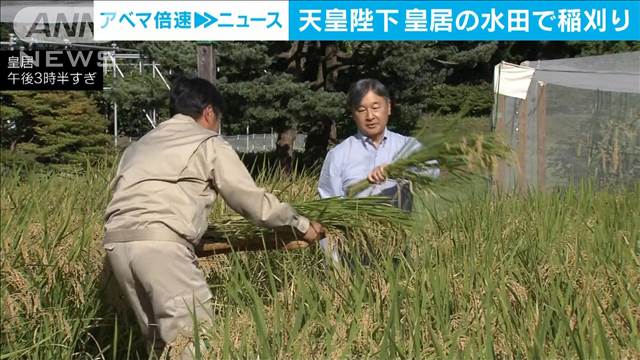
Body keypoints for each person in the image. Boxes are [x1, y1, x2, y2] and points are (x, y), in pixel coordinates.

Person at [103, 76, 324, 358]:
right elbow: (251, 201)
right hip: (161, 246)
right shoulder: (207, 141)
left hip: (117, 246)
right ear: (209, 112)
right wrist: (302, 225)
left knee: (159, 344)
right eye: (218, 119)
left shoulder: (138, 146)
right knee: (192, 342)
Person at [317, 78, 438, 262]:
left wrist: (400, 169)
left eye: (376, 107)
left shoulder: (409, 147)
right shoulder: (338, 155)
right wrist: (335, 268)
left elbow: (433, 172)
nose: (370, 116)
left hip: (399, 257)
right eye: (362, 109)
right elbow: (328, 213)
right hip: (354, 257)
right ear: (353, 113)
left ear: (388, 107)